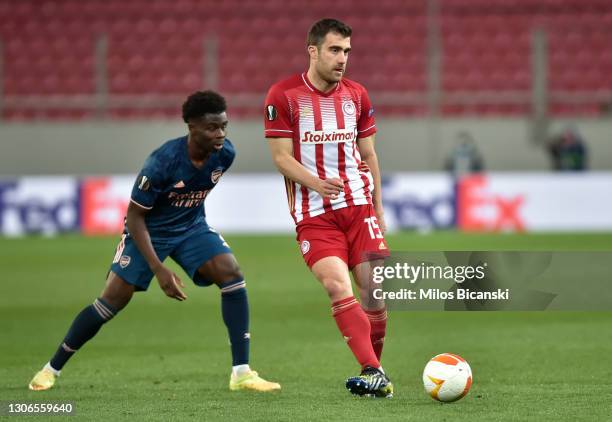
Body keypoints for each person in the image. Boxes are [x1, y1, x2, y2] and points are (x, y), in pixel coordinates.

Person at [29, 91, 280, 393]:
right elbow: (134, 217)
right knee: (111, 302)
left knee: (231, 274)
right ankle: (50, 369)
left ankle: (241, 373)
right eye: (213, 127)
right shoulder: (162, 163)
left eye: (224, 126)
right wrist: (159, 269)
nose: (221, 134)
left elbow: (192, 193)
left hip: (190, 226)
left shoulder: (225, 154)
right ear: (192, 127)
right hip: (148, 232)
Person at [264, 18, 392, 398]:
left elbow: (369, 153)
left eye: (347, 52)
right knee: (338, 286)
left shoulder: (357, 95)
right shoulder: (283, 96)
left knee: (373, 292)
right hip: (315, 215)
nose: (342, 59)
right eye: (335, 50)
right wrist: (317, 184)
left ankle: (375, 372)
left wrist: (379, 209)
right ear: (314, 50)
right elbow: (281, 158)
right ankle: (374, 370)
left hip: (358, 208)